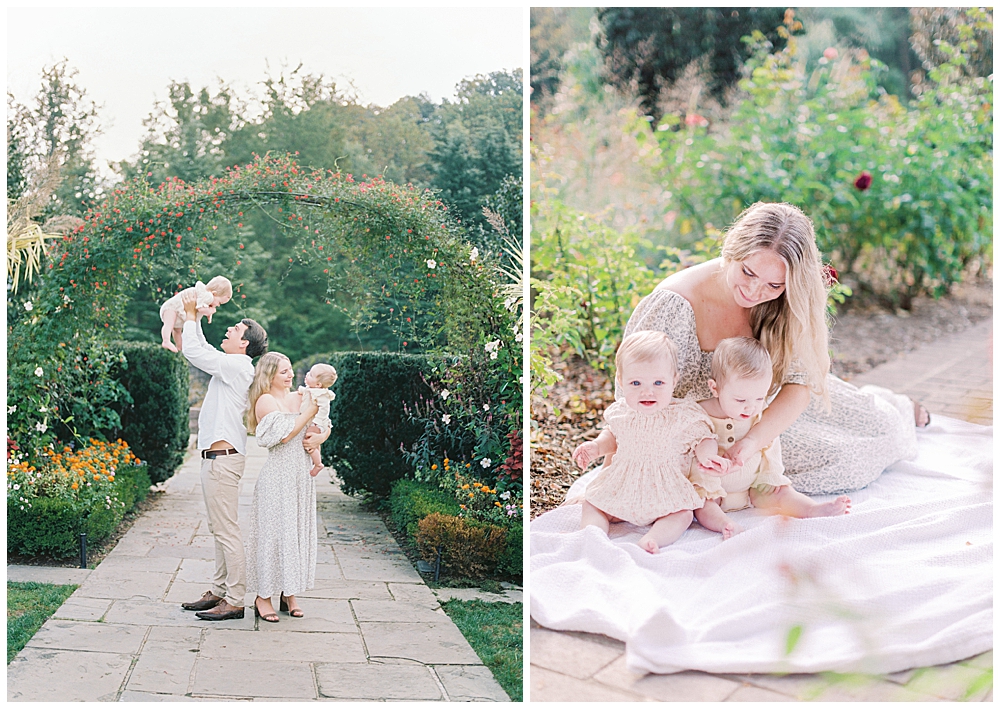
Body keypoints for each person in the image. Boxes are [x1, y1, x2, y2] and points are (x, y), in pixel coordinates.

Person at [610, 201, 923, 496]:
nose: (754, 291)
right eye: (748, 272)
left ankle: (896, 406)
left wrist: (753, 442)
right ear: (732, 251)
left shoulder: (785, 301)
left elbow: (798, 384)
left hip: (763, 409)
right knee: (844, 461)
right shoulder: (674, 304)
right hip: (696, 431)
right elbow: (631, 397)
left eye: (774, 285)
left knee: (880, 428)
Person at [571, 330, 730, 554]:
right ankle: (593, 535)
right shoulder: (622, 413)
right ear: (621, 381)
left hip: (665, 491)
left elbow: (703, 437)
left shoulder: (682, 415)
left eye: (658, 382)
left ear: (673, 380)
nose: (648, 391)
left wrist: (708, 456)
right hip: (623, 485)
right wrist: (596, 447)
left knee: (683, 513)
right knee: (593, 503)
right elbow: (613, 436)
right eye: (636, 383)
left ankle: (652, 539)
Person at [688, 336, 851, 540]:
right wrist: (709, 459)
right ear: (715, 389)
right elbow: (696, 443)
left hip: (753, 486)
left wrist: (771, 475)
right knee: (702, 505)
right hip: (714, 488)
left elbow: (769, 445)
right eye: (740, 400)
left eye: (759, 397)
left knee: (782, 493)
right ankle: (725, 524)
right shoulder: (700, 412)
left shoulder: (758, 413)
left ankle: (811, 510)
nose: (751, 407)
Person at [177, 290, 268, 621]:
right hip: (218, 460)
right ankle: (218, 591)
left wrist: (190, 316)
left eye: (234, 330)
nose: (228, 330)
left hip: (223, 461)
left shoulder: (237, 366)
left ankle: (235, 598)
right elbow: (203, 350)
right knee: (220, 528)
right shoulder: (233, 364)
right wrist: (196, 318)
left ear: (244, 343)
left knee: (227, 530)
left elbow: (197, 355)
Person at [244, 352, 329, 622]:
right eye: (283, 371)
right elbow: (285, 435)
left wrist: (322, 436)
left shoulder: (301, 397)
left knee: (295, 534)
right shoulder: (265, 401)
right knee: (273, 535)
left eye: (291, 369)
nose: (290, 375)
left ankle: (289, 593)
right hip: (277, 476)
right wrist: (309, 413)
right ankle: (263, 596)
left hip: (301, 476)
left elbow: (321, 424)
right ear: (269, 375)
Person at [160, 276, 232, 352]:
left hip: (179, 313)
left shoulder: (207, 298)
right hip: (171, 308)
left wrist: (209, 314)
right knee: (169, 324)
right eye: (219, 302)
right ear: (214, 294)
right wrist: (211, 311)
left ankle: (179, 347)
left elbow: (204, 307)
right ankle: (166, 341)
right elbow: (201, 309)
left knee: (177, 330)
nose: (218, 305)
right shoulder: (206, 295)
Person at [298, 362, 338, 477]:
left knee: (309, 443)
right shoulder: (312, 390)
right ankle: (317, 459)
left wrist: (317, 423)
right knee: (314, 443)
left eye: (310, 375)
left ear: (319, 384)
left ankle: (318, 464)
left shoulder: (322, 395)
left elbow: (324, 410)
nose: (307, 374)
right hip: (313, 422)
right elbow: (303, 391)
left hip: (317, 423)